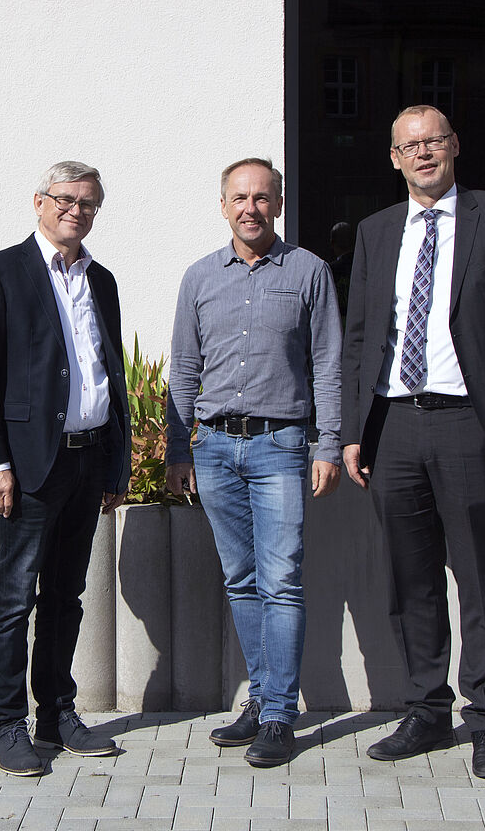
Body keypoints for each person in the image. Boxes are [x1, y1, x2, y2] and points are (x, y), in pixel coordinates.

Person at [341, 105, 485, 780]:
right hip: (394, 424)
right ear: (394, 158)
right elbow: (358, 337)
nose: (424, 152)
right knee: (412, 582)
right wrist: (352, 430)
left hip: (472, 423)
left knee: (481, 580)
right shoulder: (375, 232)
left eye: (434, 140)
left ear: (455, 146)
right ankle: (427, 712)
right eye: (411, 145)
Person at [164, 157, 342, 768]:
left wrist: (327, 444)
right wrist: (176, 448)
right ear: (222, 205)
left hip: (280, 447)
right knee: (241, 581)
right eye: (239, 197)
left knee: (282, 581)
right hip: (212, 448)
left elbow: (328, 364)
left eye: (263, 197)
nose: (251, 207)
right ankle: (264, 698)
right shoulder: (198, 278)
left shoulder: (309, 272)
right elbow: (184, 369)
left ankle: (278, 715)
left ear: (279, 204)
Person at [0, 160, 132, 777]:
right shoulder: (0, 272)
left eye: (88, 203)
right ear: (38, 201)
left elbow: (107, 373)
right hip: (32, 465)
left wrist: (117, 459)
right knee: (15, 597)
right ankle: (7, 724)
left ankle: (56, 713)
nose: (76, 211)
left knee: (67, 595)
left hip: (89, 461)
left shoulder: (102, 280)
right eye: (65, 199)